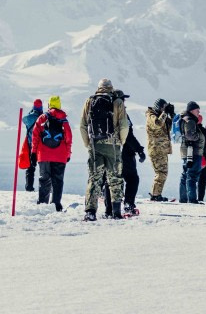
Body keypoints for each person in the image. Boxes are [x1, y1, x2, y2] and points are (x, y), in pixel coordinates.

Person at [80, 78, 129, 221]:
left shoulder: (89, 101)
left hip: (95, 145)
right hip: (113, 145)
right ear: (111, 88)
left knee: (94, 179)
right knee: (115, 178)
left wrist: (88, 143)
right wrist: (121, 141)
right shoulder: (117, 102)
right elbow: (124, 125)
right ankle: (116, 211)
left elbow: (82, 125)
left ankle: (90, 211)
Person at [103, 92, 145, 217]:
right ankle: (128, 204)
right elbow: (128, 136)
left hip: (108, 152)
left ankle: (109, 209)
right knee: (132, 179)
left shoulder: (105, 115)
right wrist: (139, 150)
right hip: (125, 154)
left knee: (110, 180)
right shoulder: (123, 116)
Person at [31, 95, 72, 211]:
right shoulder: (64, 121)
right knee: (58, 181)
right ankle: (56, 205)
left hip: (43, 155)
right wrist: (68, 154)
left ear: (49, 105)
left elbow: (35, 135)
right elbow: (69, 138)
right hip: (60, 155)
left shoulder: (42, 118)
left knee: (44, 179)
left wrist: (33, 152)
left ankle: (43, 205)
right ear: (59, 105)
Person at [145, 97, 174, 201]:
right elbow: (157, 124)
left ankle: (156, 194)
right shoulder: (151, 116)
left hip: (162, 150)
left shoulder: (161, 116)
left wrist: (171, 114)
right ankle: (155, 195)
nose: (163, 109)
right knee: (161, 173)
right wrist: (165, 113)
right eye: (163, 107)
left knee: (163, 172)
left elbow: (168, 127)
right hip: (156, 149)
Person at [178, 101, 205, 204]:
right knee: (192, 175)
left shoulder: (185, 119)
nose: (199, 112)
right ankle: (192, 199)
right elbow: (190, 135)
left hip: (187, 151)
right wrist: (198, 136)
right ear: (192, 110)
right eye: (197, 110)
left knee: (185, 174)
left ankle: (184, 198)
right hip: (193, 152)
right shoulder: (190, 121)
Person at [22, 99, 43, 191]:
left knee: (30, 168)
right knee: (44, 169)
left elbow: (23, 119)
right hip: (41, 146)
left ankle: (29, 187)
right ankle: (45, 189)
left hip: (31, 145)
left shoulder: (28, 118)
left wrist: (31, 111)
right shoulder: (42, 118)